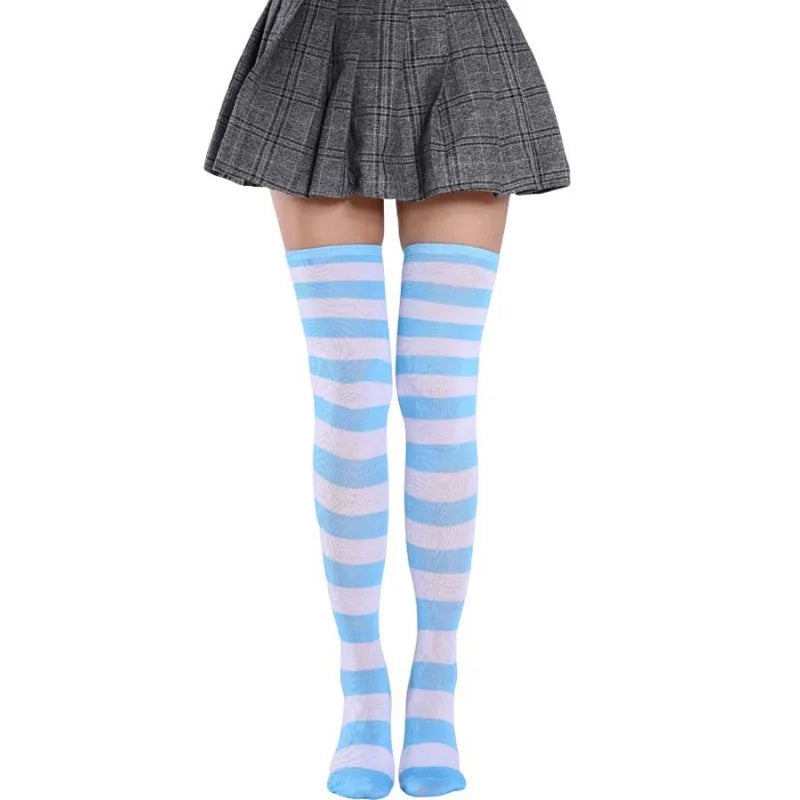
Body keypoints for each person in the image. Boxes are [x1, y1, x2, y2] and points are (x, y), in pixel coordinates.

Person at [205, 1, 569, 796]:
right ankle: (362, 685)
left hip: (459, 42)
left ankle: (436, 680)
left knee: (441, 388)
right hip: (320, 42)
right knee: (350, 389)